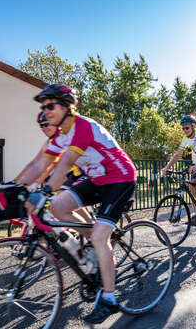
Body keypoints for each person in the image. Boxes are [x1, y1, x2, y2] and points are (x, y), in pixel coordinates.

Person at [21, 84, 137, 324]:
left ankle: (110, 298)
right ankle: (96, 244)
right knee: (57, 207)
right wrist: (17, 187)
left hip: (120, 178)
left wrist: (42, 191)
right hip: (96, 179)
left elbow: (64, 166)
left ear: (66, 106)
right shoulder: (60, 135)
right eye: (43, 106)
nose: (46, 111)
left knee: (98, 236)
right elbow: (39, 165)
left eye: (50, 105)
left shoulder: (82, 126)